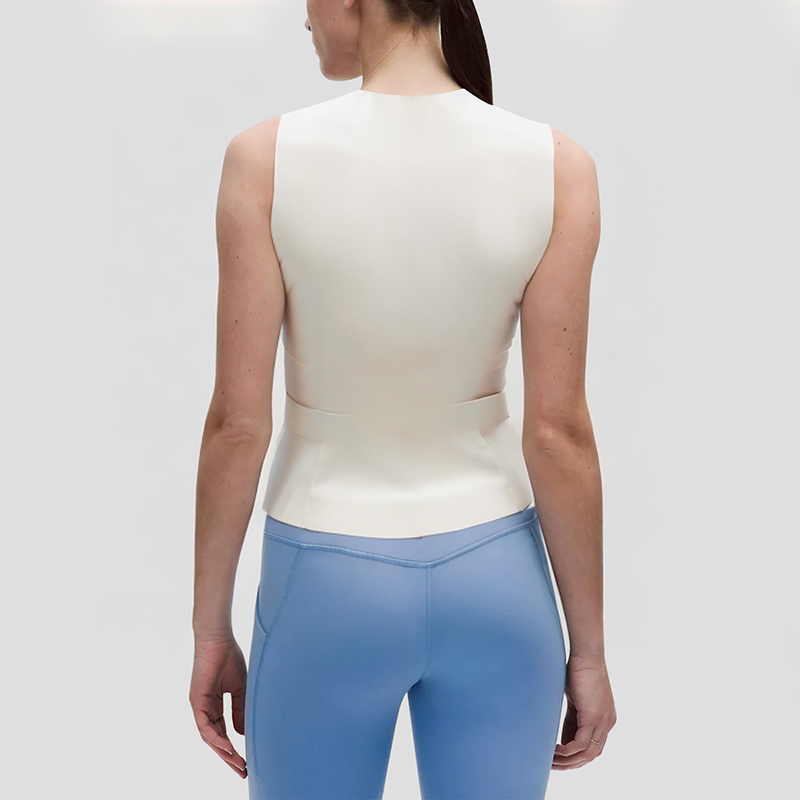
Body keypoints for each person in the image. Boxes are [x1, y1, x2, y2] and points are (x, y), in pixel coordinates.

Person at [189, 0, 617, 797]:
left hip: (326, 583)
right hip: (498, 579)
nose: (302, 15)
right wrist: (588, 651)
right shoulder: (560, 167)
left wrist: (209, 627)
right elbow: (559, 432)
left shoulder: (263, 161)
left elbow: (237, 426)